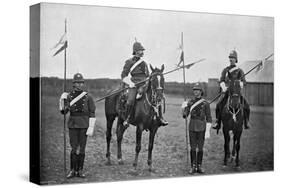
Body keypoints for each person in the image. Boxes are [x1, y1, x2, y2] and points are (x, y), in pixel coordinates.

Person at [121, 41, 168, 127]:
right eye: (140, 50)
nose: (142, 52)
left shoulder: (144, 63)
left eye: (142, 50)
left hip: (144, 84)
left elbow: (147, 75)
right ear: (135, 51)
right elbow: (123, 76)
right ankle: (127, 119)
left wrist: (152, 77)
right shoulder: (129, 62)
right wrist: (130, 83)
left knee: (158, 95)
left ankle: (160, 117)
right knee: (131, 99)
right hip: (134, 84)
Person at [59, 73, 96, 178]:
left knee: (82, 149)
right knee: (74, 148)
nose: (79, 84)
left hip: (84, 125)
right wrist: (62, 100)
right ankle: (72, 170)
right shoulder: (69, 96)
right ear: (74, 84)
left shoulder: (88, 97)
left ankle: (80, 170)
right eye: (77, 83)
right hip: (73, 124)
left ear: (83, 84)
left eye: (81, 83)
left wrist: (91, 126)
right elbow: (64, 112)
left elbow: (92, 112)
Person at [213, 50, 250, 131]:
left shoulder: (239, 70)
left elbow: (244, 82)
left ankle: (246, 121)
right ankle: (217, 122)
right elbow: (221, 80)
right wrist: (223, 86)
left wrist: (239, 83)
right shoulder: (225, 70)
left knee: (246, 105)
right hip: (227, 92)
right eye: (230, 57)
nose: (231, 59)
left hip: (236, 92)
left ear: (236, 59)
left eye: (232, 57)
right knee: (218, 104)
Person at [182, 83, 212, 174]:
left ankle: (199, 166)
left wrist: (208, 130)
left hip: (202, 127)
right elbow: (185, 115)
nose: (195, 92)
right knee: (193, 148)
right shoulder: (190, 102)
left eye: (197, 90)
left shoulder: (205, 103)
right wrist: (183, 108)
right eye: (194, 90)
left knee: (201, 148)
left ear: (201, 92)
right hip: (192, 127)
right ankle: (193, 166)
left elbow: (209, 117)